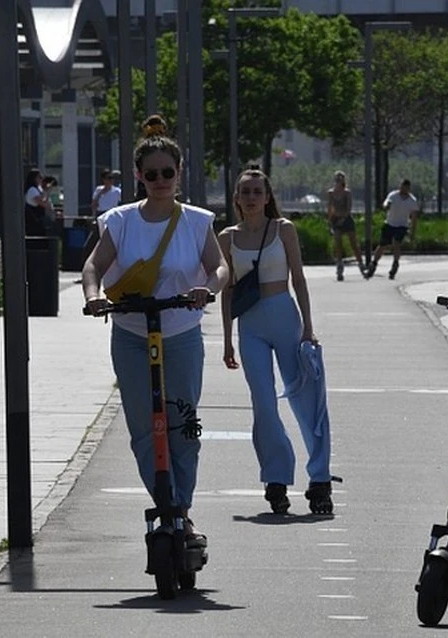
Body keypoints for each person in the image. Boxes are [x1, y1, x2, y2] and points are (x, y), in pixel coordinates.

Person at [82, 131, 228, 545]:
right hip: (131, 332)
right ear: (138, 176)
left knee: (182, 424)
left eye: (168, 171)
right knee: (144, 428)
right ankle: (165, 504)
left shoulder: (197, 221)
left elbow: (219, 268)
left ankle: (182, 508)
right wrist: (93, 297)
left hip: (180, 332)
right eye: (152, 173)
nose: (161, 179)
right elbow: (93, 266)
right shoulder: (120, 221)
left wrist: (209, 289)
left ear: (179, 173)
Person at [218, 169, 337, 515]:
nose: (252, 197)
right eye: (245, 192)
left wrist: (308, 328)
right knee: (264, 404)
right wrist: (227, 340)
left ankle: (320, 479)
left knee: (306, 397)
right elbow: (227, 292)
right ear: (236, 198)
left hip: (285, 316)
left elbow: (298, 278)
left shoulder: (283, 229)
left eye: (258, 191)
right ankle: (276, 478)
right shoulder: (226, 237)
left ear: (267, 197)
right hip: (250, 326)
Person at [365, 178, 419, 280]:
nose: (403, 189)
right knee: (382, 245)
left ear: (409, 188)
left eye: (406, 188)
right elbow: (386, 203)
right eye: (402, 187)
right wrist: (386, 206)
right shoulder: (393, 195)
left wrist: (412, 232)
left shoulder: (412, 201)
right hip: (390, 224)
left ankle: (395, 264)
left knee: (396, 243)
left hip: (402, 225)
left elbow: (414, 217)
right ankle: (373, 265)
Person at [325, 170, 365, 281]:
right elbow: (329, 207)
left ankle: (361, 264)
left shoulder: (347, 193)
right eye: (337, 179)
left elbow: (348, 208)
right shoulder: (331, 193)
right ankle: (339, 266)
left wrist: (343, 218)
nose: (338, 181)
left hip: (346, 219)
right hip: (335, 219)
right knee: (338, 242)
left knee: (353, 243)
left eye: (340, 179)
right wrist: (329, 220)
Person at [23, 168, 49, 236]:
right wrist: (45, 192)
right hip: (34, 221)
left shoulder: (37, 189)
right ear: (34, 178)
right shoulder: (32, 190)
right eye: (40, 177)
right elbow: (43, 204)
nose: (41, 180)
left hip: (37, 221)